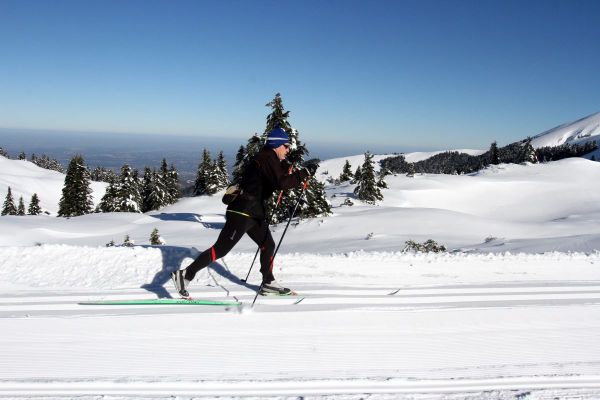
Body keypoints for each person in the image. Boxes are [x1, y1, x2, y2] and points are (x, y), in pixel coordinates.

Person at [171, 127, 318, 297]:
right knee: (221, 249)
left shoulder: (268, 158)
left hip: (254, 213)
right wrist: (304, 173)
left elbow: (276, 174)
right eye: (286, 146)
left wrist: (289, 162)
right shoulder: (267, 156)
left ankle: (268, 283)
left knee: (268, 244)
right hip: (243, 211)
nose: (288, 149)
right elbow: (281, 183)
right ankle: (185, 275)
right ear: (277, 144)